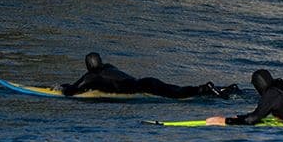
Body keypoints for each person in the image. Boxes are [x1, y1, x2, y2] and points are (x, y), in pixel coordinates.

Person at [62, 52, 237, 100]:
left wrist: (62, 87)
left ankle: (206, 88)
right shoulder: (109, 67)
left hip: (141, 87)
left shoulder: (91, 77)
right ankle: (212, 89)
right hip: (145, 81)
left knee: (176, 94)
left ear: (88, 66)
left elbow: (71, 91)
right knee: (175, 90)